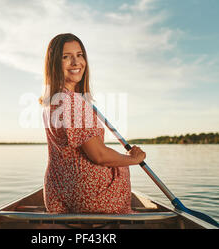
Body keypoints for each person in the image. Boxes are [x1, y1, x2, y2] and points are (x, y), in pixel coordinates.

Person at [39, 33, 146, 214]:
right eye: (66, 57)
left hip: (57, 194)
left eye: (79, 55)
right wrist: (133, 159)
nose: (76, 62)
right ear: (54, 64)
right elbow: (99, 156)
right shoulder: (71, 101)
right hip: (89, 199)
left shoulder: (52, 100)